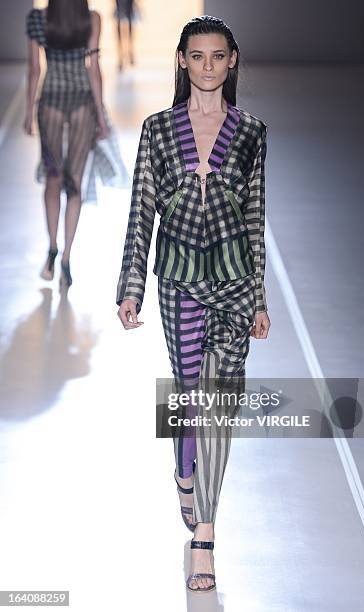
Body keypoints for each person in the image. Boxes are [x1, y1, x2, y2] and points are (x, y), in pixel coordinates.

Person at [116, 15, 271, 593]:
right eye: (197, 56)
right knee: (187, 395)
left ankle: (203, 540)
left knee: (217, 413)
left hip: (231, 287)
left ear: (233, 60)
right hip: (177, 282)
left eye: (218, 56)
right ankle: (184, 471)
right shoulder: (158, 131)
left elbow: (256, 223)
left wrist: (257, 297)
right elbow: (141, 212)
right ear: (182, 60)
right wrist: (131, 284)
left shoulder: (253, 133)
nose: (208, 65)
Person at [24, 0, 117, 289]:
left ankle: (52, 248)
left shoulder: (37, 19)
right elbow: (93, 68)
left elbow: (34, 69)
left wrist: (28, 112)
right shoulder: (92, 19)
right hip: (81, 105)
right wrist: (101, 115)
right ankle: (66, 258)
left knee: (53, 179)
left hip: (50, 102)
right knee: (74, 182)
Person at [114, 0, 140, 71]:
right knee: (122, 34)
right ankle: (124, 57)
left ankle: (128, 55)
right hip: (123, 8)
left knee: (127, 34)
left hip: (127, 8)